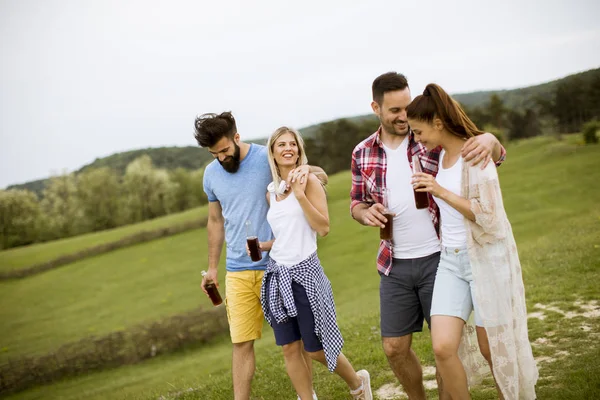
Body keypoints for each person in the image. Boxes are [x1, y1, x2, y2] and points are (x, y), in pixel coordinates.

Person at [350, 72, 506, 400]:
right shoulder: (362, 152)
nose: (404, 116)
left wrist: (491, 139)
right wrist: (365, 213)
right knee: (394, 348)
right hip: (393, 263)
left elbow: (488, 153)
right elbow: (356, 202)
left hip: (440, 255)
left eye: (407, 107)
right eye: (394, 110)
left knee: (445, 346)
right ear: (375, 107)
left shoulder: (427, 135)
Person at [408, 83, 538, 400]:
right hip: (450, 261)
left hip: (485, 259)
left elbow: (490, 218)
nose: (417, 138)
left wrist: (440, 191)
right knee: (442, 347)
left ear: (438, 123)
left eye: (419, 131)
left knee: (491, 349)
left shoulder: (475, 153)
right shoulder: (438, 158)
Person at [194, 112, 317, 400]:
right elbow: (215, 221)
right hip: (237, 270)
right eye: (215, 154)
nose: (222, 158)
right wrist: (212, 268)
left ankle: (306, 395)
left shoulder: (267, 158)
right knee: (241, 342)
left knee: (293, 342)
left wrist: (309, 172)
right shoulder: (211, 174)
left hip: (277, 264)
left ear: (237, 137)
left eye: (225, 150)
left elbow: (310, 173)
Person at [258, 126, 373, 400]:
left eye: (293, 144)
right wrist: (264, 246)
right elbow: (285, 236)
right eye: (281, 145)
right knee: (289, 347)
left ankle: (357, 383)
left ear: (299, 150)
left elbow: (323, 227)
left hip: (305, 274)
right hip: (277, 274)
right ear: (273, 153)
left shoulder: (309, 181)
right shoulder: (271, 192)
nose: (288, 148)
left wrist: (300, 195)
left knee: (316, 348)